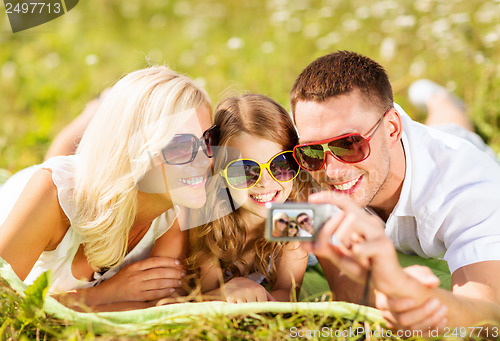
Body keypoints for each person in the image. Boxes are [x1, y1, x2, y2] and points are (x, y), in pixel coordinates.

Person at [290, 51, 500, 331]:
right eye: (313, 151)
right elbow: (340, 285)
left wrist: (422, 303)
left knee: (453, 127)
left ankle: (441, 100)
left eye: (349, 145)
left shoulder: (470, 184)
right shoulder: (300, 166)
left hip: (452, 147)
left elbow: (488, 313)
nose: (331, 171)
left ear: (391, 128)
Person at [0, 66, 217, 311]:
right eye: (181, 146)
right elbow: (7, 307)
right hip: (26, 194)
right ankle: (94, 110)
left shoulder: (176, 205)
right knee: (55, 163)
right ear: (138, 150)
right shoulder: (51, 192)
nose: (206, 159)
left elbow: (159, 305)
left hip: (104, 178)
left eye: (208, 140)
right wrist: (105, 294)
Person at [186, 93, 308, 303]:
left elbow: (287, 293)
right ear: (221, 173)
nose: (265, 182)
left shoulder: (294, 217)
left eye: (280, 165)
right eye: (244, 171)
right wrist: (228, 293)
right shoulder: (208, 218)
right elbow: (205, 295)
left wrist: (259, 295)